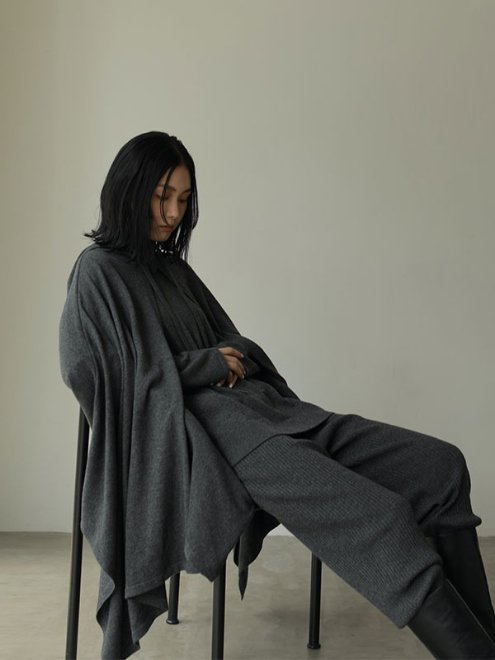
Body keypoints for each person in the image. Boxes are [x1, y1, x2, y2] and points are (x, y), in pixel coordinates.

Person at [73, 130, 495, 658]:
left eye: (183, 198)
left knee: (442, 466)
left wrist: (226, 358)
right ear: (128, 190)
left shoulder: (173, 270)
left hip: (272, 413)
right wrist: (206, 364)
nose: (174, 212)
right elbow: (101, 376)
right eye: (163, 196)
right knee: (381, 519)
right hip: (219, 440)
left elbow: (232, 340)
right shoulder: (97, 272)